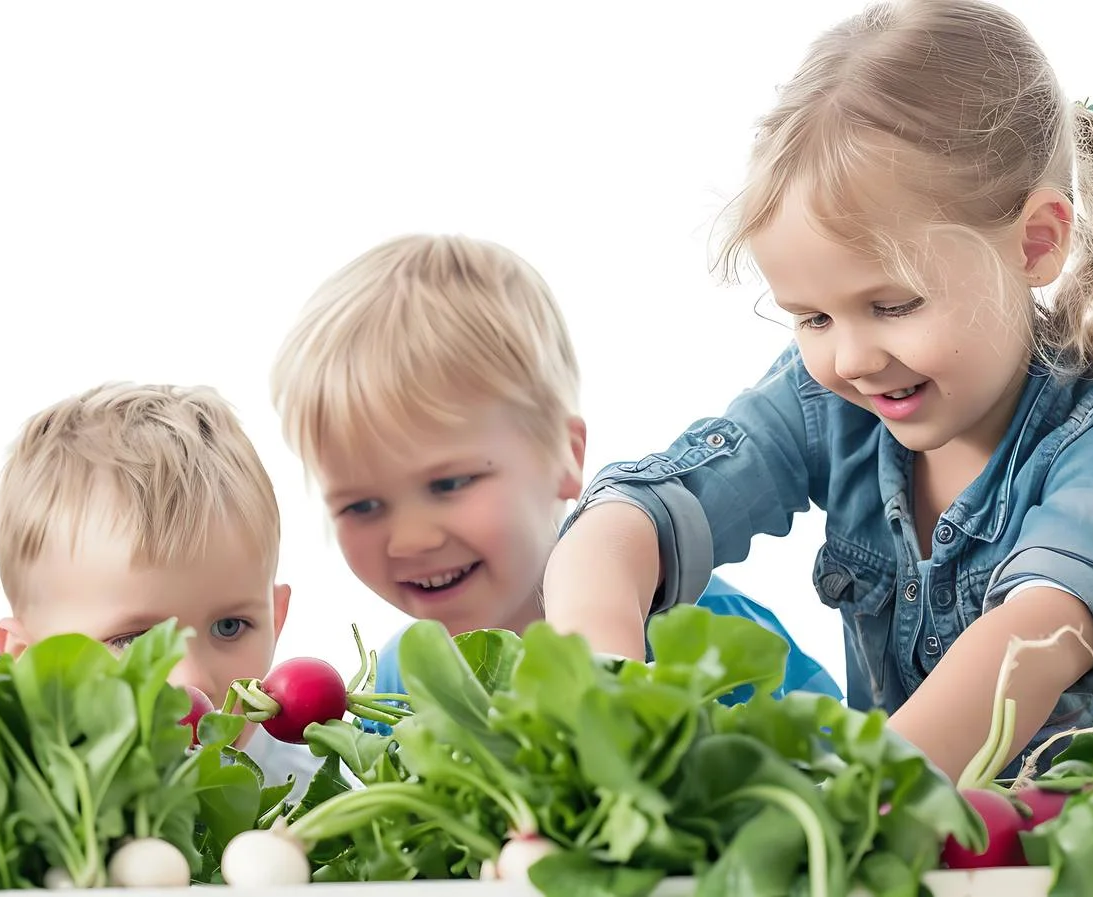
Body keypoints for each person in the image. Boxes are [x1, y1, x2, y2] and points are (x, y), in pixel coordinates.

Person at [539, 0, 1093, 781]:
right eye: (813, 316)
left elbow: (1034, 634)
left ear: (1034, 242)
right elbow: (632, 514)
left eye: (893, 305)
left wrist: (858, 800)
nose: (850, 357)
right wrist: (603, 688)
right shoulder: (833, 407)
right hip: (914, 850)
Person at [268, 233, 842, 720]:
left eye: (448, 485)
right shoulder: (391, 693)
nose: (412, 538)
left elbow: (852, 791)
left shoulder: (709, 640)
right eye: (362, 507)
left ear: (566, 460)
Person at [0, 381, 331, 797]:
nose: (192, 681)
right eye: (133, 640)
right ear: (27, 661)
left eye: (229, 627)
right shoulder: (7, 801)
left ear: (276, 621)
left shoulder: (313, 793)